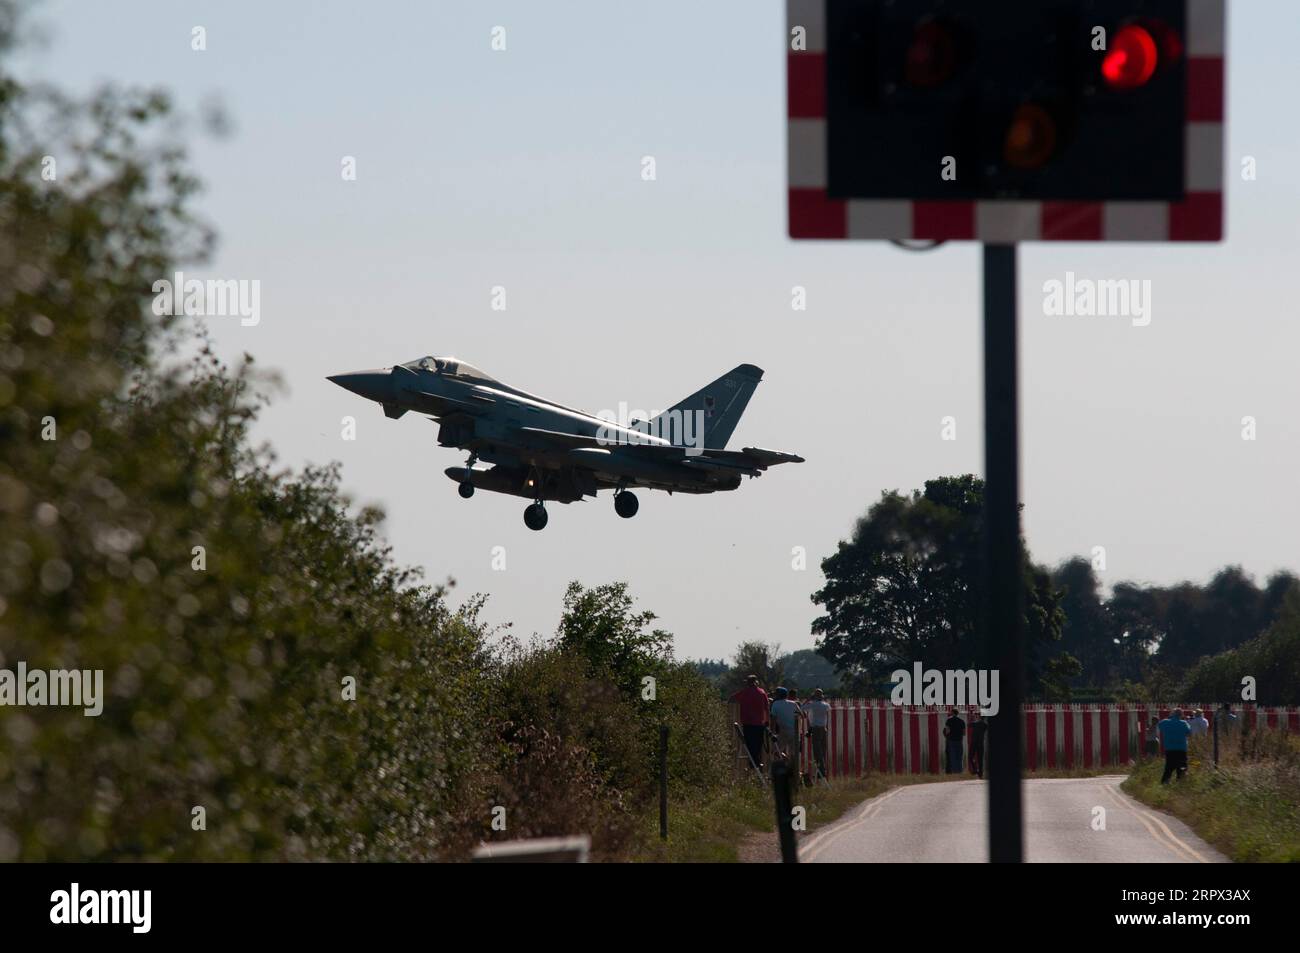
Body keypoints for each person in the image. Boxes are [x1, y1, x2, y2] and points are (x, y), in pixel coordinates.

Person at [729, 675, 769, 772]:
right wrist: (767, 721)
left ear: (748, 683)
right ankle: (756, 765)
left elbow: (731, 699)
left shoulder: (744, 692)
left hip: (748, 723)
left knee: (749, 745)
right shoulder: (762, 692)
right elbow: (766, 708)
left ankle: (753, 765)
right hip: (759, 723)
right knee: (758, 745)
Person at [769, 687, 802, 783]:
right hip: (795, 732)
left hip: (783, 731)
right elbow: (801, 715)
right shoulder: (793, 703)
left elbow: (773, 719)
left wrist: (772, 732)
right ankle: (795, 775)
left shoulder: (775, 704)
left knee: (775, 751)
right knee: (794, 754)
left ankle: (783, 764)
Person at [803, 689, 832, 782]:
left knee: (817, 751)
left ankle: (821, 770)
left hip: (815, 728)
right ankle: (822, 770)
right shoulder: (825, 705)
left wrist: (808, 699)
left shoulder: (812, 704)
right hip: (823, 728)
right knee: (823, 751)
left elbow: (801, 708)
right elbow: (829, 709)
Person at [1157, 709, 1192, 783]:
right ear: (1181, 715)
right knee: (1182, 766)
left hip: (1169, 748)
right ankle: (1181, 781)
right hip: (1181, 748)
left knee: (1169, 766)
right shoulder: (1184, 723)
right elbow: (1189, 733)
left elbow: (1159, 726)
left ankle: (1165, 782)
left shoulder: (1165, 722)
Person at [943, 708, 966, 774]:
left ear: (952, 713)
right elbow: (964, 733)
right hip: (959, 740)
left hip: (951, 740)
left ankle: (954, 771)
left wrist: (947, 734)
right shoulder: (962, 721)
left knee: (953, 756)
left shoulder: (949, 720)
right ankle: (960, 771)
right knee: (959, 756)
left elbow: (947, 731)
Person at [968, 711, 988, 779]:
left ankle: (975, 769)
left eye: (977, 715)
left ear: (979, 716)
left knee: (970, 757)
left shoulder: (975, 723)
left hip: (974, 743)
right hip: (980, 743)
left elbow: (969, 724)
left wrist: (971, 717)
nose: (976, 716)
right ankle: (980, 774)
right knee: (980, 759)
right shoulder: (985, 724)